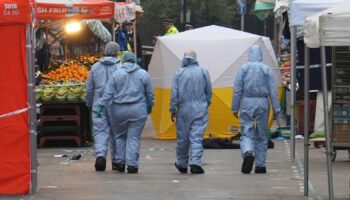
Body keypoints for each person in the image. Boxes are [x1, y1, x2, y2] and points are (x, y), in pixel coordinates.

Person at [96, 52, 154, 174]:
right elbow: (149, 94)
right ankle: (132, 165)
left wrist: (100, 106)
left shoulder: (116, 74)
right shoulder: (144, 74)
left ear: (123, 61)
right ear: (134, 61)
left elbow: (108, 93)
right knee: (133, 137)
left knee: (120, 136)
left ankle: (120, 163)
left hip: (119, 110)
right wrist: (150, 105)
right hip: (138, 110)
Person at [231, 45, 281, 174]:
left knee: (246, 132)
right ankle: (260, 165)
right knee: (261, 134)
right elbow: (273, 91)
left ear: (250, 54)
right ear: (261, 55)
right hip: (263, 102)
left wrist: (235, 107)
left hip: (247, 101)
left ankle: (248, 152)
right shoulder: (266, 69)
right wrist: (276, 109)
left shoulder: (243, 69)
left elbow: (237, 90)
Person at [170, 50, 212, 174]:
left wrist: (173, 109)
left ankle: (182, 163)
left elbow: (174, 94)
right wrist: (206, 104)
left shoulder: (179, 73)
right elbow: (208, 91)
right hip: (200, 108)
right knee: (197, 137)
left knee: (182, 137)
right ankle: (195, 162)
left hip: (183, 109)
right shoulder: (204, 72)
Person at [86, 42, 121, 171]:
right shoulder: (120, 67)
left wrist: (89, 102)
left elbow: (89, 88)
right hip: (116, 104)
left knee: (100, 131)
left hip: (98, 104)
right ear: (117, 52)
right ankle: (117, 160)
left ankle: (100, 156)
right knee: (116, 132)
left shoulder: (95, 67)